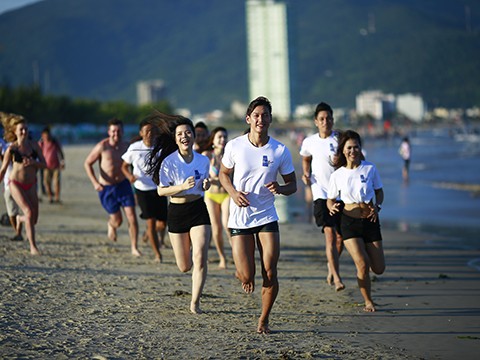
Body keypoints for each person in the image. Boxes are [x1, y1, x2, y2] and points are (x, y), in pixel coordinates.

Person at [219, 96, 297, 334]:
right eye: (256, 115)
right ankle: (242, 272)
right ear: (248, 119)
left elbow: (292, 185)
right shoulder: (234, 146)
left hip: (266, 215)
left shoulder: (279, 150)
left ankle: (264, 319)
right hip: (240, 216)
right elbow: (223, 174)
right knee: (246, 275)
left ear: (270, 119)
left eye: (265, 115)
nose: (260, 119)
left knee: (270, 270)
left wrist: (280, 189)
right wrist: (232, 193)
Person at [146, 111, 211, 314]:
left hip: (198, 209)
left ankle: (195, 302)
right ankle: (189, 249)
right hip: (176, 210)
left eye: (188, 132)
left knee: (200, 257)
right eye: (180, 133)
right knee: (184, 266)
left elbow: (204, 184)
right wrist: (181, 187)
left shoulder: (203, 161)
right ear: (175, 139)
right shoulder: (169, 162)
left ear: (193, 136)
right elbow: (161, 190)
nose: (185, 136)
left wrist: (206, 185)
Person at [327, 130, 385, 312]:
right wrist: (330, 206)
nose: (353, 151)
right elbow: (330, 198)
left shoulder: (370, 169)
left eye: (356, 147)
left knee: (379, 268)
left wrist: (378, 206)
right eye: (349, 148)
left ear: (361, 149)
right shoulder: (337, 175)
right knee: (362, 263)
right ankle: (368, 301)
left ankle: (365, 281)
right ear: (343, 151)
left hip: (370, 220)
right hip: (349, 223)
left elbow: (379, 192)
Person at [299, 102, 344, 291]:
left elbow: (354, 160)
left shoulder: (340, 139)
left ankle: (330, 264)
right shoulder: (309, 141)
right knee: (330, 235)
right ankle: (336, 276)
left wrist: (339, 160)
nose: (326, 122)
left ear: (333, 120)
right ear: (316, 122)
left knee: (341, 238)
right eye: (322, 119)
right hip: (321, 193)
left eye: (329, 118)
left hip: (341, 193)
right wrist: (305, 173)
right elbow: (305, 158)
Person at [84, 118, 141, 257]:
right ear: (109, 132)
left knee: (132, 217)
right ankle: (111, 225)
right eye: (114, 131)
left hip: (123, 185)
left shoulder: (127, 146)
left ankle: (134, 247)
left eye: (119, 131)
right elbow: (87, 164)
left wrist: (134, 176)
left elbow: (135, 163)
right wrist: (95, 183)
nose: (117, 134)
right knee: (118, 220)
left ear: (122, 131)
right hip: (106, 188)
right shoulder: (102, 146)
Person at [121, 119, 167, 262]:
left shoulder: (159, 148)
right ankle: (157, 254)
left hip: (158, 189)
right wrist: (129, 176)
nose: (150, 134)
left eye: (153, 131)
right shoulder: (134, 148)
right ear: (141, 133)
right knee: (151, 222)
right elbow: (123, 166)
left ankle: (148, 234)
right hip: (142, 189)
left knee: (162, 224)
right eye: (147, 131)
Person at [0, 113, 46, 255]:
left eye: (26, 129)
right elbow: (3, 170)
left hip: (31, 184)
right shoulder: (12, 149)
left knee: (34, 219)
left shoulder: (34, 146)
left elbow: (45, 164)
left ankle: (19, 220)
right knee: (29, 212)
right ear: (15, 131)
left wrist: (34, 163)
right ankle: (33, 247)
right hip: (16, 184)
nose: (24, 132)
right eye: (21, 129)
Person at [202, 126, 230, 269]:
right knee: (216, 228)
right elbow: (202, 176)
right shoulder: (207, 155)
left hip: (226, 195)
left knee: (227, 226)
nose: (223, 139)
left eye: (225, 137)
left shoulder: (230, 156)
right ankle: (222, 257)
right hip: (211, 196)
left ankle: (237, 254)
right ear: (213, 140)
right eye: (219, 137)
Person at [38, 127, 65, 204]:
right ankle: (50, 197)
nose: (47, 137)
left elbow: (60, 152)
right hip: (46, 166)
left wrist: (62, 162)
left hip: (56, 165)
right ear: (42, 135)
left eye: (48, 135)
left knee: (56, 182)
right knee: (46, 182)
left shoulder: (54, 142)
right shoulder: (41, 143)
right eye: (45, 135)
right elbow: (37, 153)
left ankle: (57, 198)